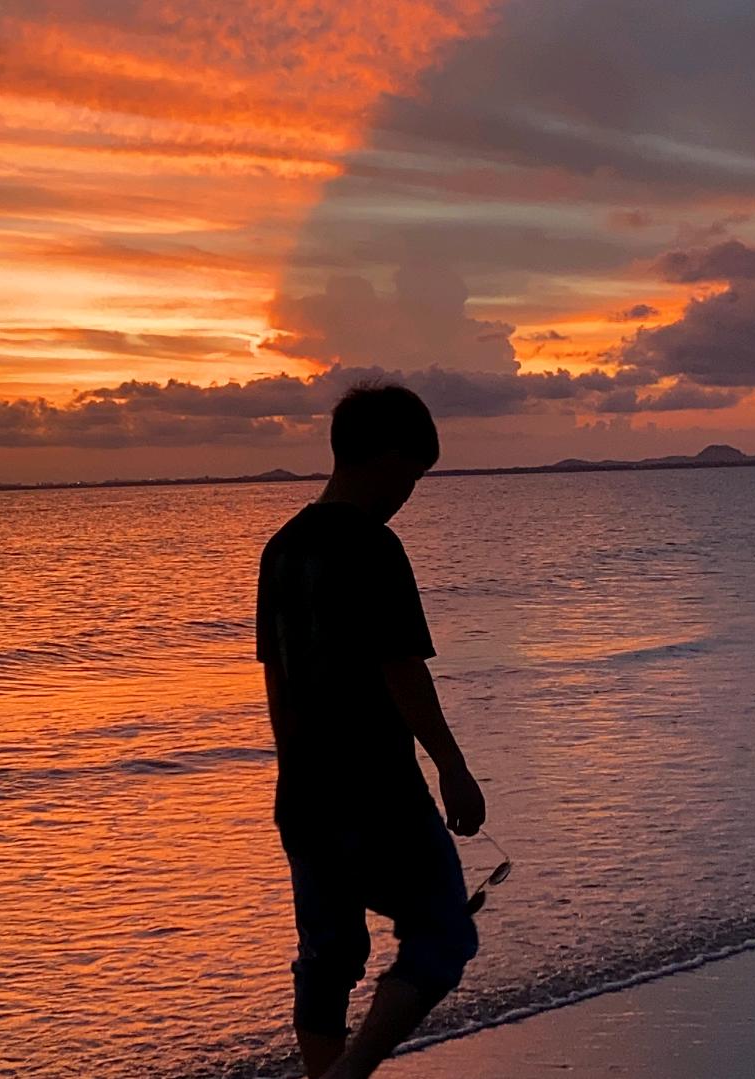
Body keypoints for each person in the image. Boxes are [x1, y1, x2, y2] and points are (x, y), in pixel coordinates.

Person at [255, 382, 485, 1079]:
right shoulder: (373, 546)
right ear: (383, 457)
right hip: (375, 786)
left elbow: (277, 681)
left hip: (304, 786)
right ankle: (346, 1074)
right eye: (411, 475)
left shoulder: (282, 549)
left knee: (328, 957)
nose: (408, 493)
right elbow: (400, 666)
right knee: (443, 932)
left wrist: (288, 776)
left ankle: (325, 1071)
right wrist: (451, 763)